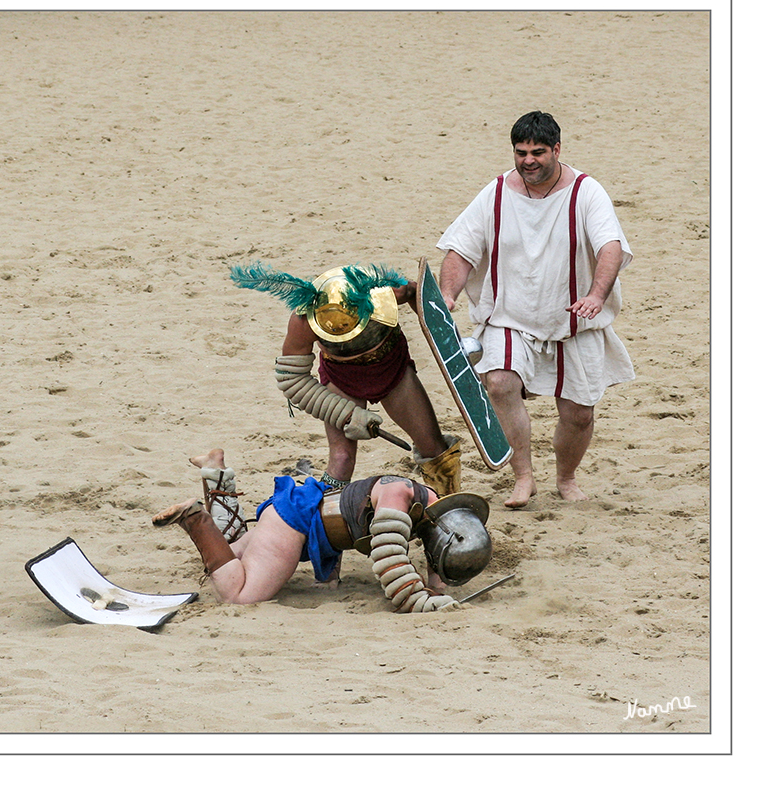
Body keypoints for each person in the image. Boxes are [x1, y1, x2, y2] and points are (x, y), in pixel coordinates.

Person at [437, 111, 634, 508]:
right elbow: (461, 249)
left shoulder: (585, 191)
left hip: (574, 319)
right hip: (510, 316)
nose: (528, 160)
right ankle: (523, 476)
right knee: (500, 384)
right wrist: (447, 294)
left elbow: (610, 246)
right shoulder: (495, 193)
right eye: (521, 152)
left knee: (578, 414)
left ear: (557, 149)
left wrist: (596, 295)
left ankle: (566, 477)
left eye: (538, 152)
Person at [152, 448, 493, 613]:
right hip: (294, 521)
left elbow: (437, 563)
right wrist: (424, 603)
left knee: (232, 553)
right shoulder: (398, 495)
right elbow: (391, 562)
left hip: (296, 513)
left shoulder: (433, 509)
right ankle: (196, 518)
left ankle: (216, 473)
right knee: (239, 595)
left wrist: (439, 589)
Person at [229, 262, 461, 496]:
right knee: (341, 459)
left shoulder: (390, 292)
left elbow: (420, 297)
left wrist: (444, 340)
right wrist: (347, 415)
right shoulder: (303, 321)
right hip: (342, 379)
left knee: (434, 450)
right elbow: (292, 379)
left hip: (393, 370)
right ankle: (329, 524)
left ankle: (450, 506)